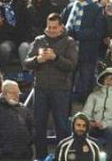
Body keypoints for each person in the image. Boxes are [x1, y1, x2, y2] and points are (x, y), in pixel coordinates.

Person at [23, 14, 78, 159]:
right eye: (49, 27)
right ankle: (41, 157)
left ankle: (62, 157)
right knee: (39, 126)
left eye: (55, 27)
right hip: (40, 89)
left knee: (62, 126)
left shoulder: (69, 42)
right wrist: (38, 59)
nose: (51, 30)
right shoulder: (39, 40)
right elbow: (27, 63)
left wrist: (56, 58)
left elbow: (72, 65)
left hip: (61, 90)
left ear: (61, 27)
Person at [0, 80, 34, 161]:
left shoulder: (24, 109)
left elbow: (32, 127)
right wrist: (2, 143)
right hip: (5, 153)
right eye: (13, 93)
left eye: (18, 93)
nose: (17, 96)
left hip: (24, 153)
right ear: (4, 93)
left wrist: (28, 140)